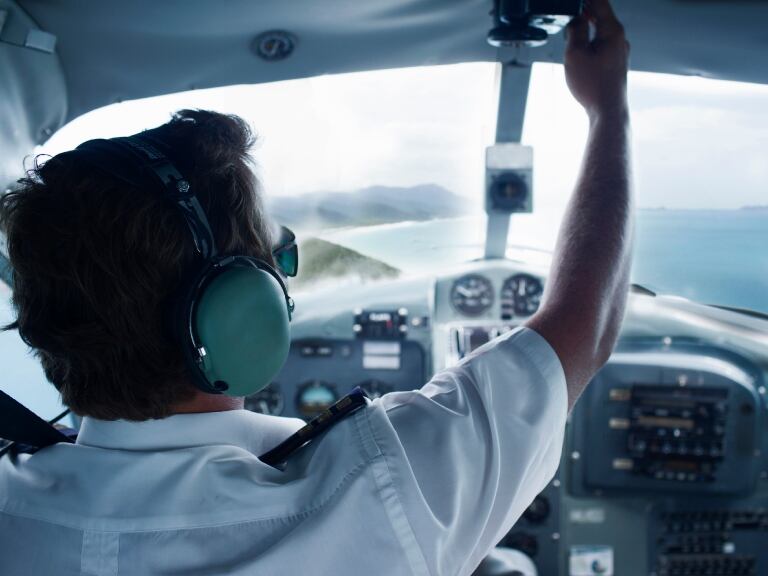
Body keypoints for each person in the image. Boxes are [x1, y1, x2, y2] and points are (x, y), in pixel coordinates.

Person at [0, 0, 631, 574]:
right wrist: (607, 106)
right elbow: (588, 322)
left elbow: (584, 325)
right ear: (236, 313)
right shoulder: (380, 495)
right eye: (275, 261)